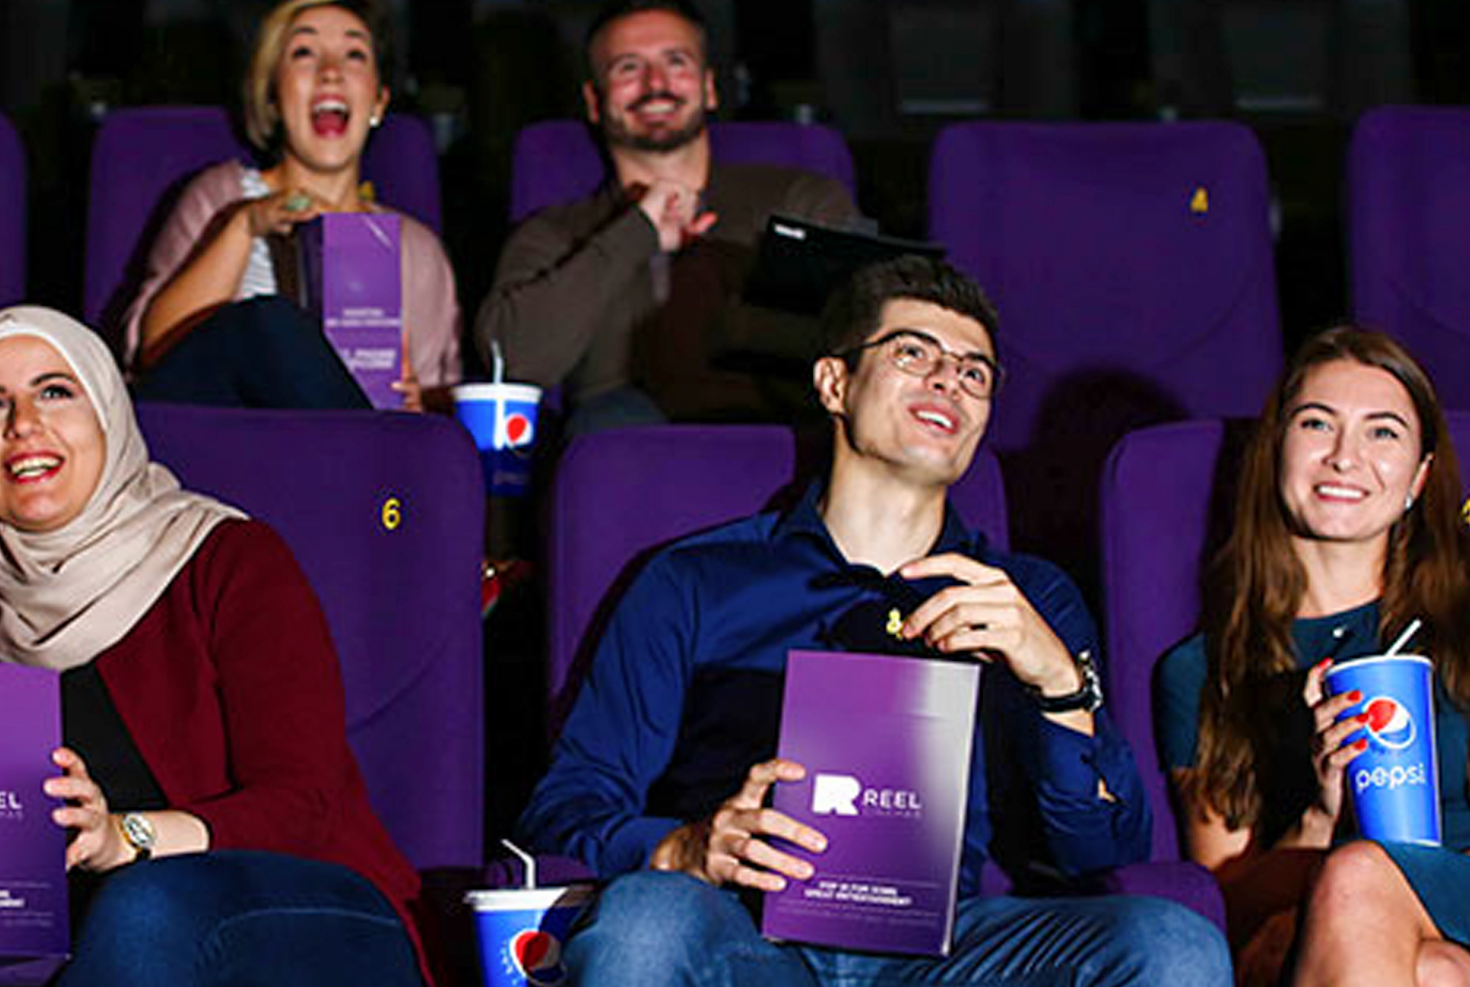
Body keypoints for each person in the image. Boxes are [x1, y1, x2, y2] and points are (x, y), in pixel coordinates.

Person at [517, 255, 1231, 986]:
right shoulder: (695, 580)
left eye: (975, 371)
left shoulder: (1026, 600)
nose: (949, 380)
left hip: (951, 953)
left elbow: (1106, 852)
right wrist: (685, 848)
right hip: (743, 936)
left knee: (1170, 941)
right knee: (644, 919)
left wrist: (1058, 687)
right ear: (835, 382)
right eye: (914, 353)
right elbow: (569, 804)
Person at [0, 306, 432, 987]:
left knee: (147, 904)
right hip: (102, 948)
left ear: (111, 415)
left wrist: (126, 837)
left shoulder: (229, 559)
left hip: (304, 916)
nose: (23, 422)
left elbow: (304, 806)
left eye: (55, 390)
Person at [1153, 327, 1470, 986]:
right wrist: (1320, 811)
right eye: (1317, 423)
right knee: (1437, 972)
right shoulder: (1201, 669)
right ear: (1276, 449)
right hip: (1356, 939)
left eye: (1383, 432)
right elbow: (1232, 899)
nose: (1345, 455)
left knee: (1359, 875)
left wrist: (1391, 878)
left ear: (1420, 477)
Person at [474, 0, 858, 434]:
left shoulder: (800, 199)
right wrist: (634, 233)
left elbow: (865, 336)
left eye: (676, 62)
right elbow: (513, 362)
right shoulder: (554, 233)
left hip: (787, 434)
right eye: (629, 68)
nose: (656, 84)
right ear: (596, 102)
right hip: (626, 450)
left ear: (710, 88)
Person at [120, 0, 460, 412]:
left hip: (337, 458)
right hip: (215, 443)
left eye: (354, 55)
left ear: (379, 100)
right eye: (304, 52)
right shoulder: (223, 198)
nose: (331, 72)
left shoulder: (416, 248)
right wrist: (245, 227)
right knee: (267, 321)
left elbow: (439, 404)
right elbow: (153, 351)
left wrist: (416, 403)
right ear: (273, 96)